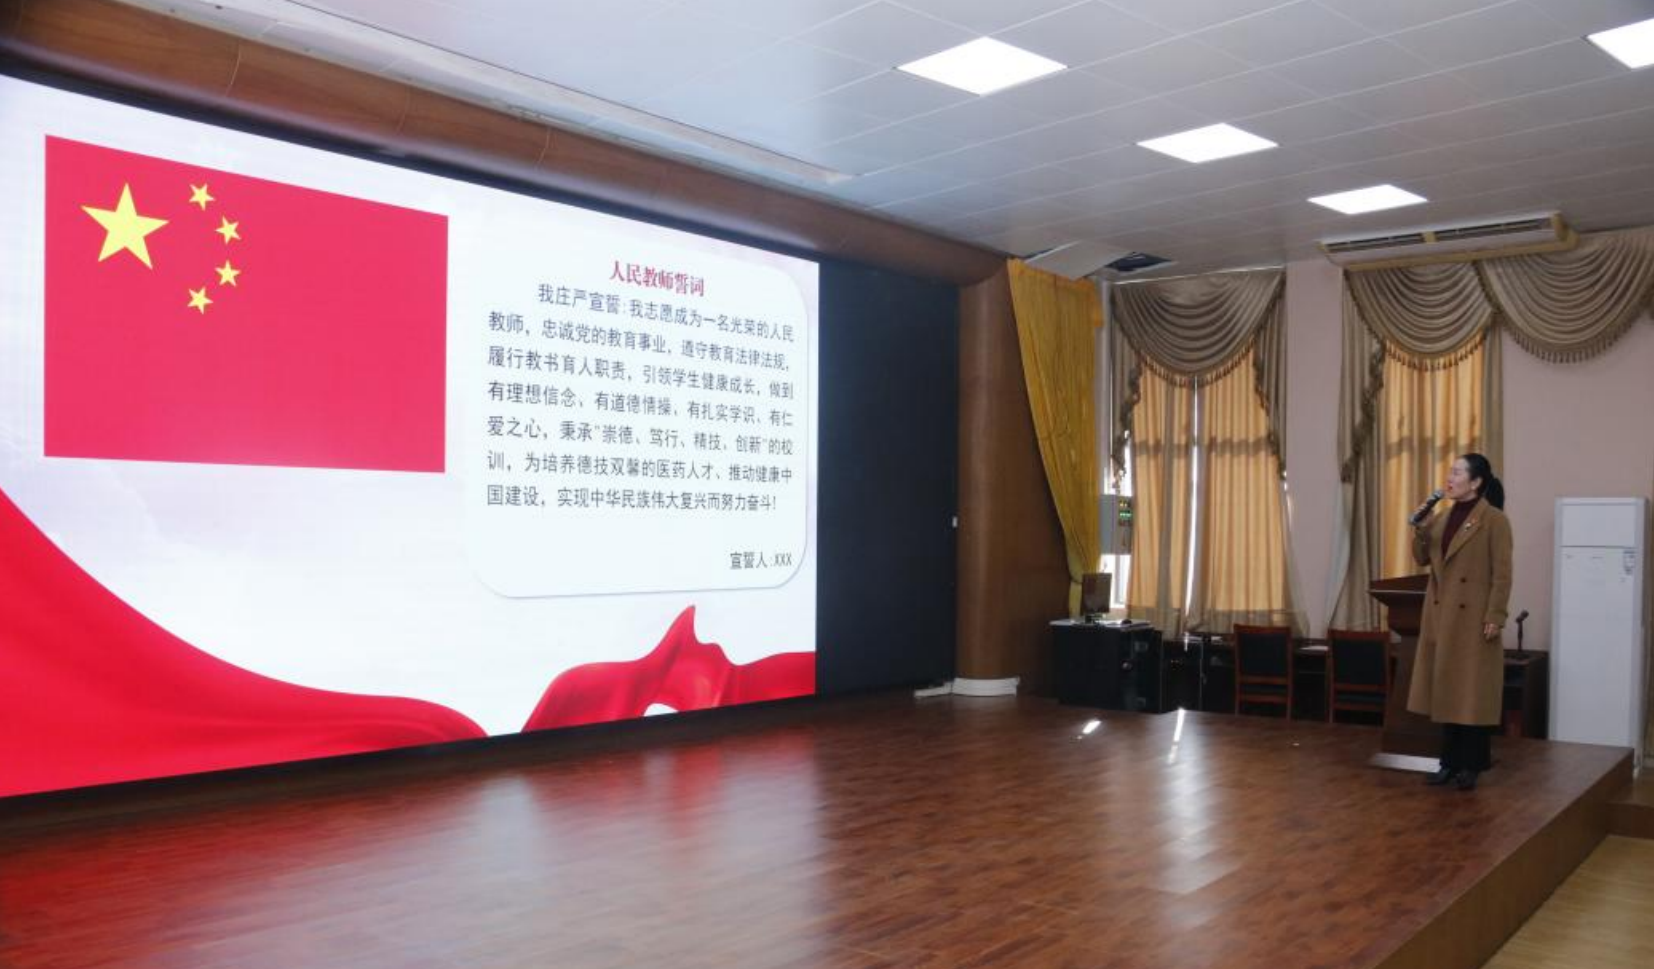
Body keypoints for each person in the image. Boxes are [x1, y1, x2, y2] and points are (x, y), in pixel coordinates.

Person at [1407, 453, 1512, 791]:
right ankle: (1448, 763)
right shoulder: (1440, 517)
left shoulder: (1494, 520)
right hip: (1441, 617)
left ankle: (1472, 766)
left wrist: (1496, 615)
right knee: (1448, 694)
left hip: (1474, 620)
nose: (1449, 478)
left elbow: (1502, 574)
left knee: (1471, 697)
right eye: (1449, 473)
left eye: (1456, 473)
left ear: (1476, 481)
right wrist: (1421, 528)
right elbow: (1421, 558)